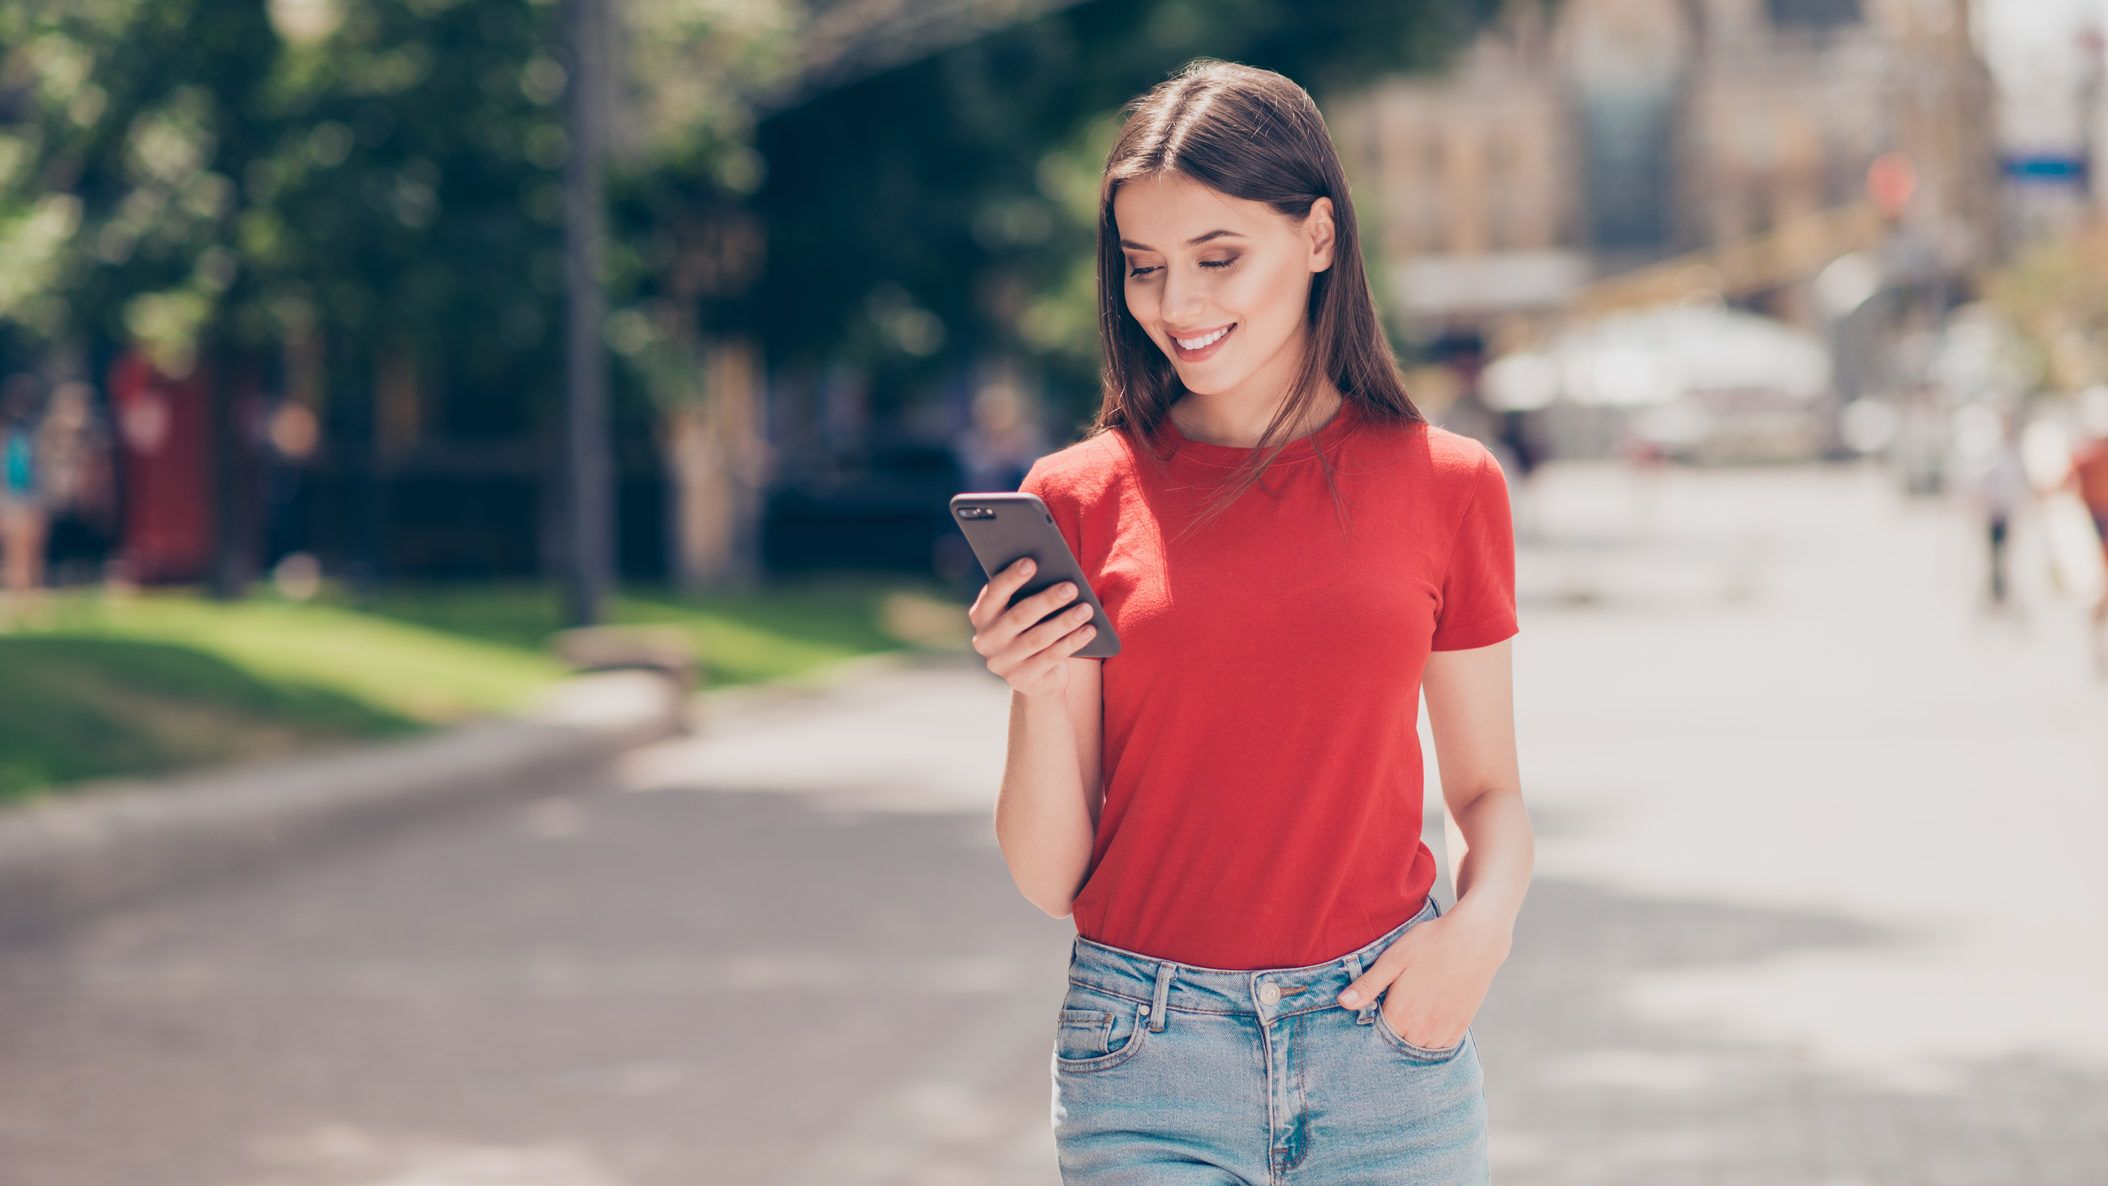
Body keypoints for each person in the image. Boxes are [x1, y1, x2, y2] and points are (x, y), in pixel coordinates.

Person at [965, 60, 1528, 1183]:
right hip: (1145, 1047)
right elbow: (1047, 876)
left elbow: (1485, 791)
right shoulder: (1075, 497)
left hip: (1386, 1042)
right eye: (1144, 268)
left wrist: (1478, 931)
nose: (1177, 305)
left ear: (1318, 236)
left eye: (1219, 258)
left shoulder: (1447, 483)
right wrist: (1034, 690)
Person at [0, 375, 50, 624]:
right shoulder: (7, 436)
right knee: (14, 554)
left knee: (32, 553)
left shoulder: (32, 434)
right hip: (13, 500)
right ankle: (15, 601)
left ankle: (31, 602)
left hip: (31, 499)